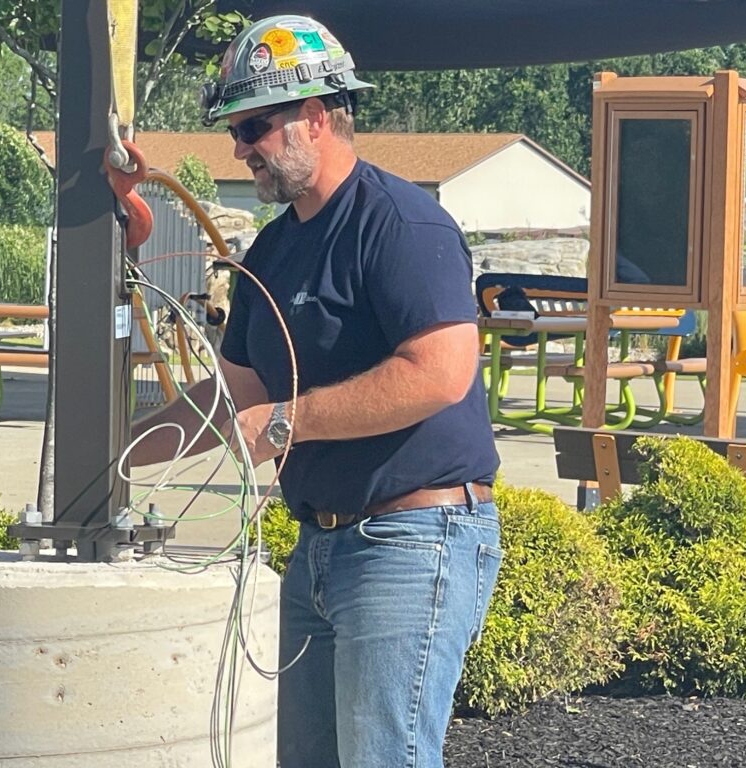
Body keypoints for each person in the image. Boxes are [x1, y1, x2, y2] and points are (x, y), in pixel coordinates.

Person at [129, 15, 502, 768]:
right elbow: (232, 396)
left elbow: (441, 371)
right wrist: (116, 452)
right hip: (320, 550)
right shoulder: (275, 246)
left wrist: (286, 424)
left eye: (254, 127)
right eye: (237, 131)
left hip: (410, 541)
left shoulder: (401, 223)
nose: (240, 148)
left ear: (314, 115)